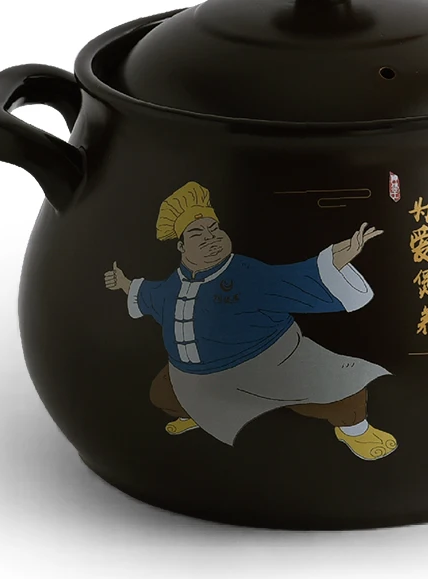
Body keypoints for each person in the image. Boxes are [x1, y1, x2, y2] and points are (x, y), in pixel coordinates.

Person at [104, 181, 397, 461]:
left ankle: (356, 432)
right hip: (195, 376)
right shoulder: (173, 284)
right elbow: (150, 294)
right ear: (181, 247)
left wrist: (338, 257)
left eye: (214, 229)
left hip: (267, 364)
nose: (210, 237)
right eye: (197, 233)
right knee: (161, 394)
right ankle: (198, 415)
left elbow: (293, 279)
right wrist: (124, 283)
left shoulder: (245, 273)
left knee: (341, 388)